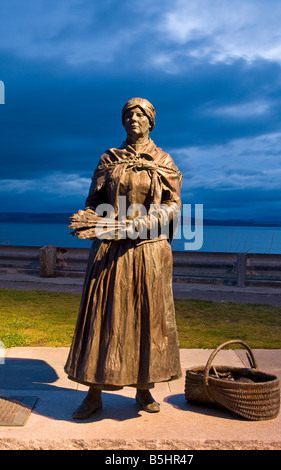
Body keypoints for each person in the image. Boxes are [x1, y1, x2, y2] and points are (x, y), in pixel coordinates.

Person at [64, 97, 183, 419]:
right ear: (123, 121)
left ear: (151, 121)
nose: (134, 118)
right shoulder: (109, 159)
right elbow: (93, 201)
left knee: (149, 318)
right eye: (129, 114)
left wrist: (137, 225)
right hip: (111, 250)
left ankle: (144, 388)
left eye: (141, 114)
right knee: (105, 319)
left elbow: (173, 206)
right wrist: (94, 222)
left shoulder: (163, 161)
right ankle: (93, 392)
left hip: (149, 250)